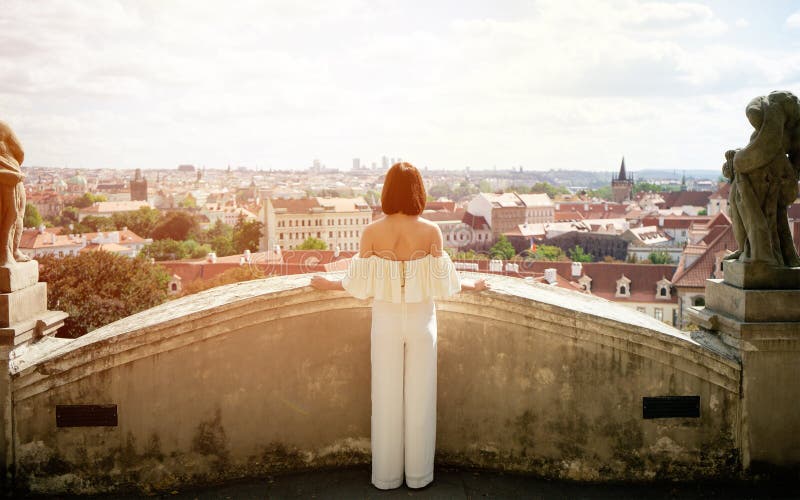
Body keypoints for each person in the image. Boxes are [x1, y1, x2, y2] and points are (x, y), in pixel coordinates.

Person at [310, 162, 489, 490]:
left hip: (387, 322)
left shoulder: (372, 232)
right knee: (421, 397)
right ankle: (419, 478)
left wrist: (327, 283)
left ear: (387, 191)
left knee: (386, 396)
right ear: (419, 191)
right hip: (422, 322)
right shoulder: (431, 231)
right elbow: (444, 282)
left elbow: (357, 284)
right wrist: (473, 285)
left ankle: (387, 478)